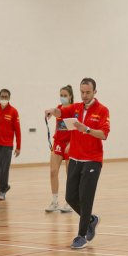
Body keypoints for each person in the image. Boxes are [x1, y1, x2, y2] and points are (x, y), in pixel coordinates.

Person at [45, 78, 110, 249]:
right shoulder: (76, 108)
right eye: (82, 92)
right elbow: (62, 112)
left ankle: (81, 236)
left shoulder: (103, 110)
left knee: (85, 198)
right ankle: (91, 219)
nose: (84, 95)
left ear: (95, 92)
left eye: (88, 92)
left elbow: (103, 134)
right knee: (70, 197)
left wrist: (86, 129)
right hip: (75, 159)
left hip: (92, 161)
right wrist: (53, 111)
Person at [45, 85, 74, 213]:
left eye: (65, 95)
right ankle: (54, 201)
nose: (62, 98)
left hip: (70, 144)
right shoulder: (59, 108)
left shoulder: (74, 109)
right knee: (53, 171)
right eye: (61, 95)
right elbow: (57, 112)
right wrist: (51, 111)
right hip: (58, 143)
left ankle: (69, 202)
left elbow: (75, 128)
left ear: (70, 96)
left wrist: (71, 143)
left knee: (70, 175)